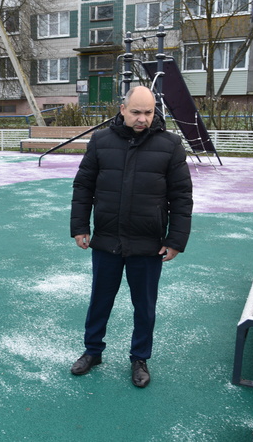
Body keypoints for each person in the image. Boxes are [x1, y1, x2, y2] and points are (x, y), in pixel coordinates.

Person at [69, 86, 193, 388]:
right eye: (136, 112)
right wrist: (80, 226)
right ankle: (93, 351)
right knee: (100, 300)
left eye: (148, 112)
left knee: (144, 306)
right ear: (122, 109)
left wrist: (175, 239)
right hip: (107, 239)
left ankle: (140, 358)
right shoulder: (101, 141)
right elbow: (83, 186)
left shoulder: (170, 145)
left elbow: (181, 196)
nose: (142, 118)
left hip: (148, 243)